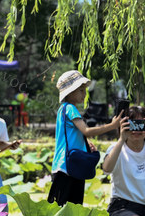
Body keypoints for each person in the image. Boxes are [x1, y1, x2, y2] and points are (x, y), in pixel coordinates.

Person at [48, 70, 121, 207]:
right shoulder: (71, 109)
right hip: (68, 166)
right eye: (81, 90)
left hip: (64, 165)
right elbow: (86, 131)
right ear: (70, 92)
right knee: (72, 206)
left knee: (61, 207)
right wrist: (113, 125)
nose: (84, 94)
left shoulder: (62, 109)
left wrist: (85, 143)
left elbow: (71, 134)